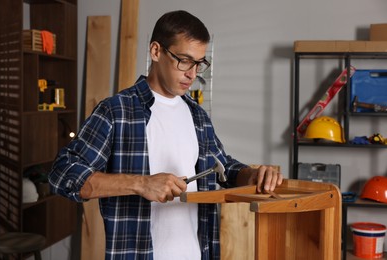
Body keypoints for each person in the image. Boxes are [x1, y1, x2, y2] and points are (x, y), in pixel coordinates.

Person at [49, 10, 283, 260]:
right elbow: (63, 174)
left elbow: (224, 168)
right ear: (156, 51)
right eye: (184, 60)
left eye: (199, 63)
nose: (192, 74)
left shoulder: (198, 117)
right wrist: (141, 183)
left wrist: (254, 175)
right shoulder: (117, 111)